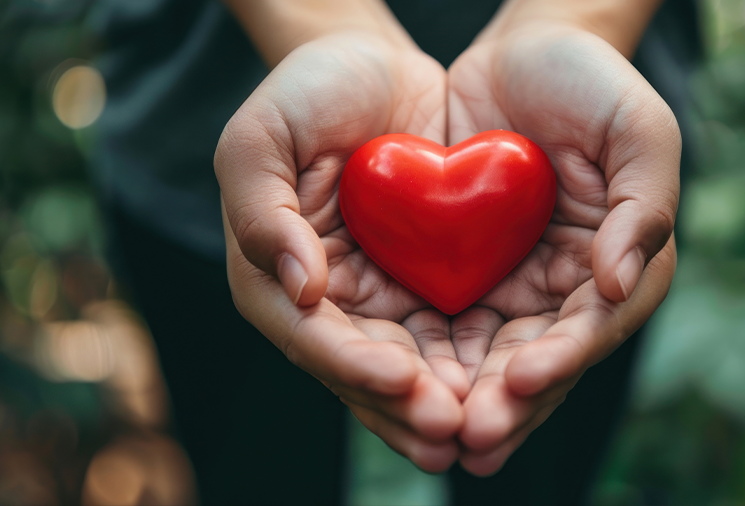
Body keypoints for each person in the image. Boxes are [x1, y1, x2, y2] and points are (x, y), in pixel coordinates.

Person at [88, 0, 699, 503]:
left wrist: (570, 19)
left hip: (580, 190)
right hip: (227, 150)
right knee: (255, 475)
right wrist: (323, 24)